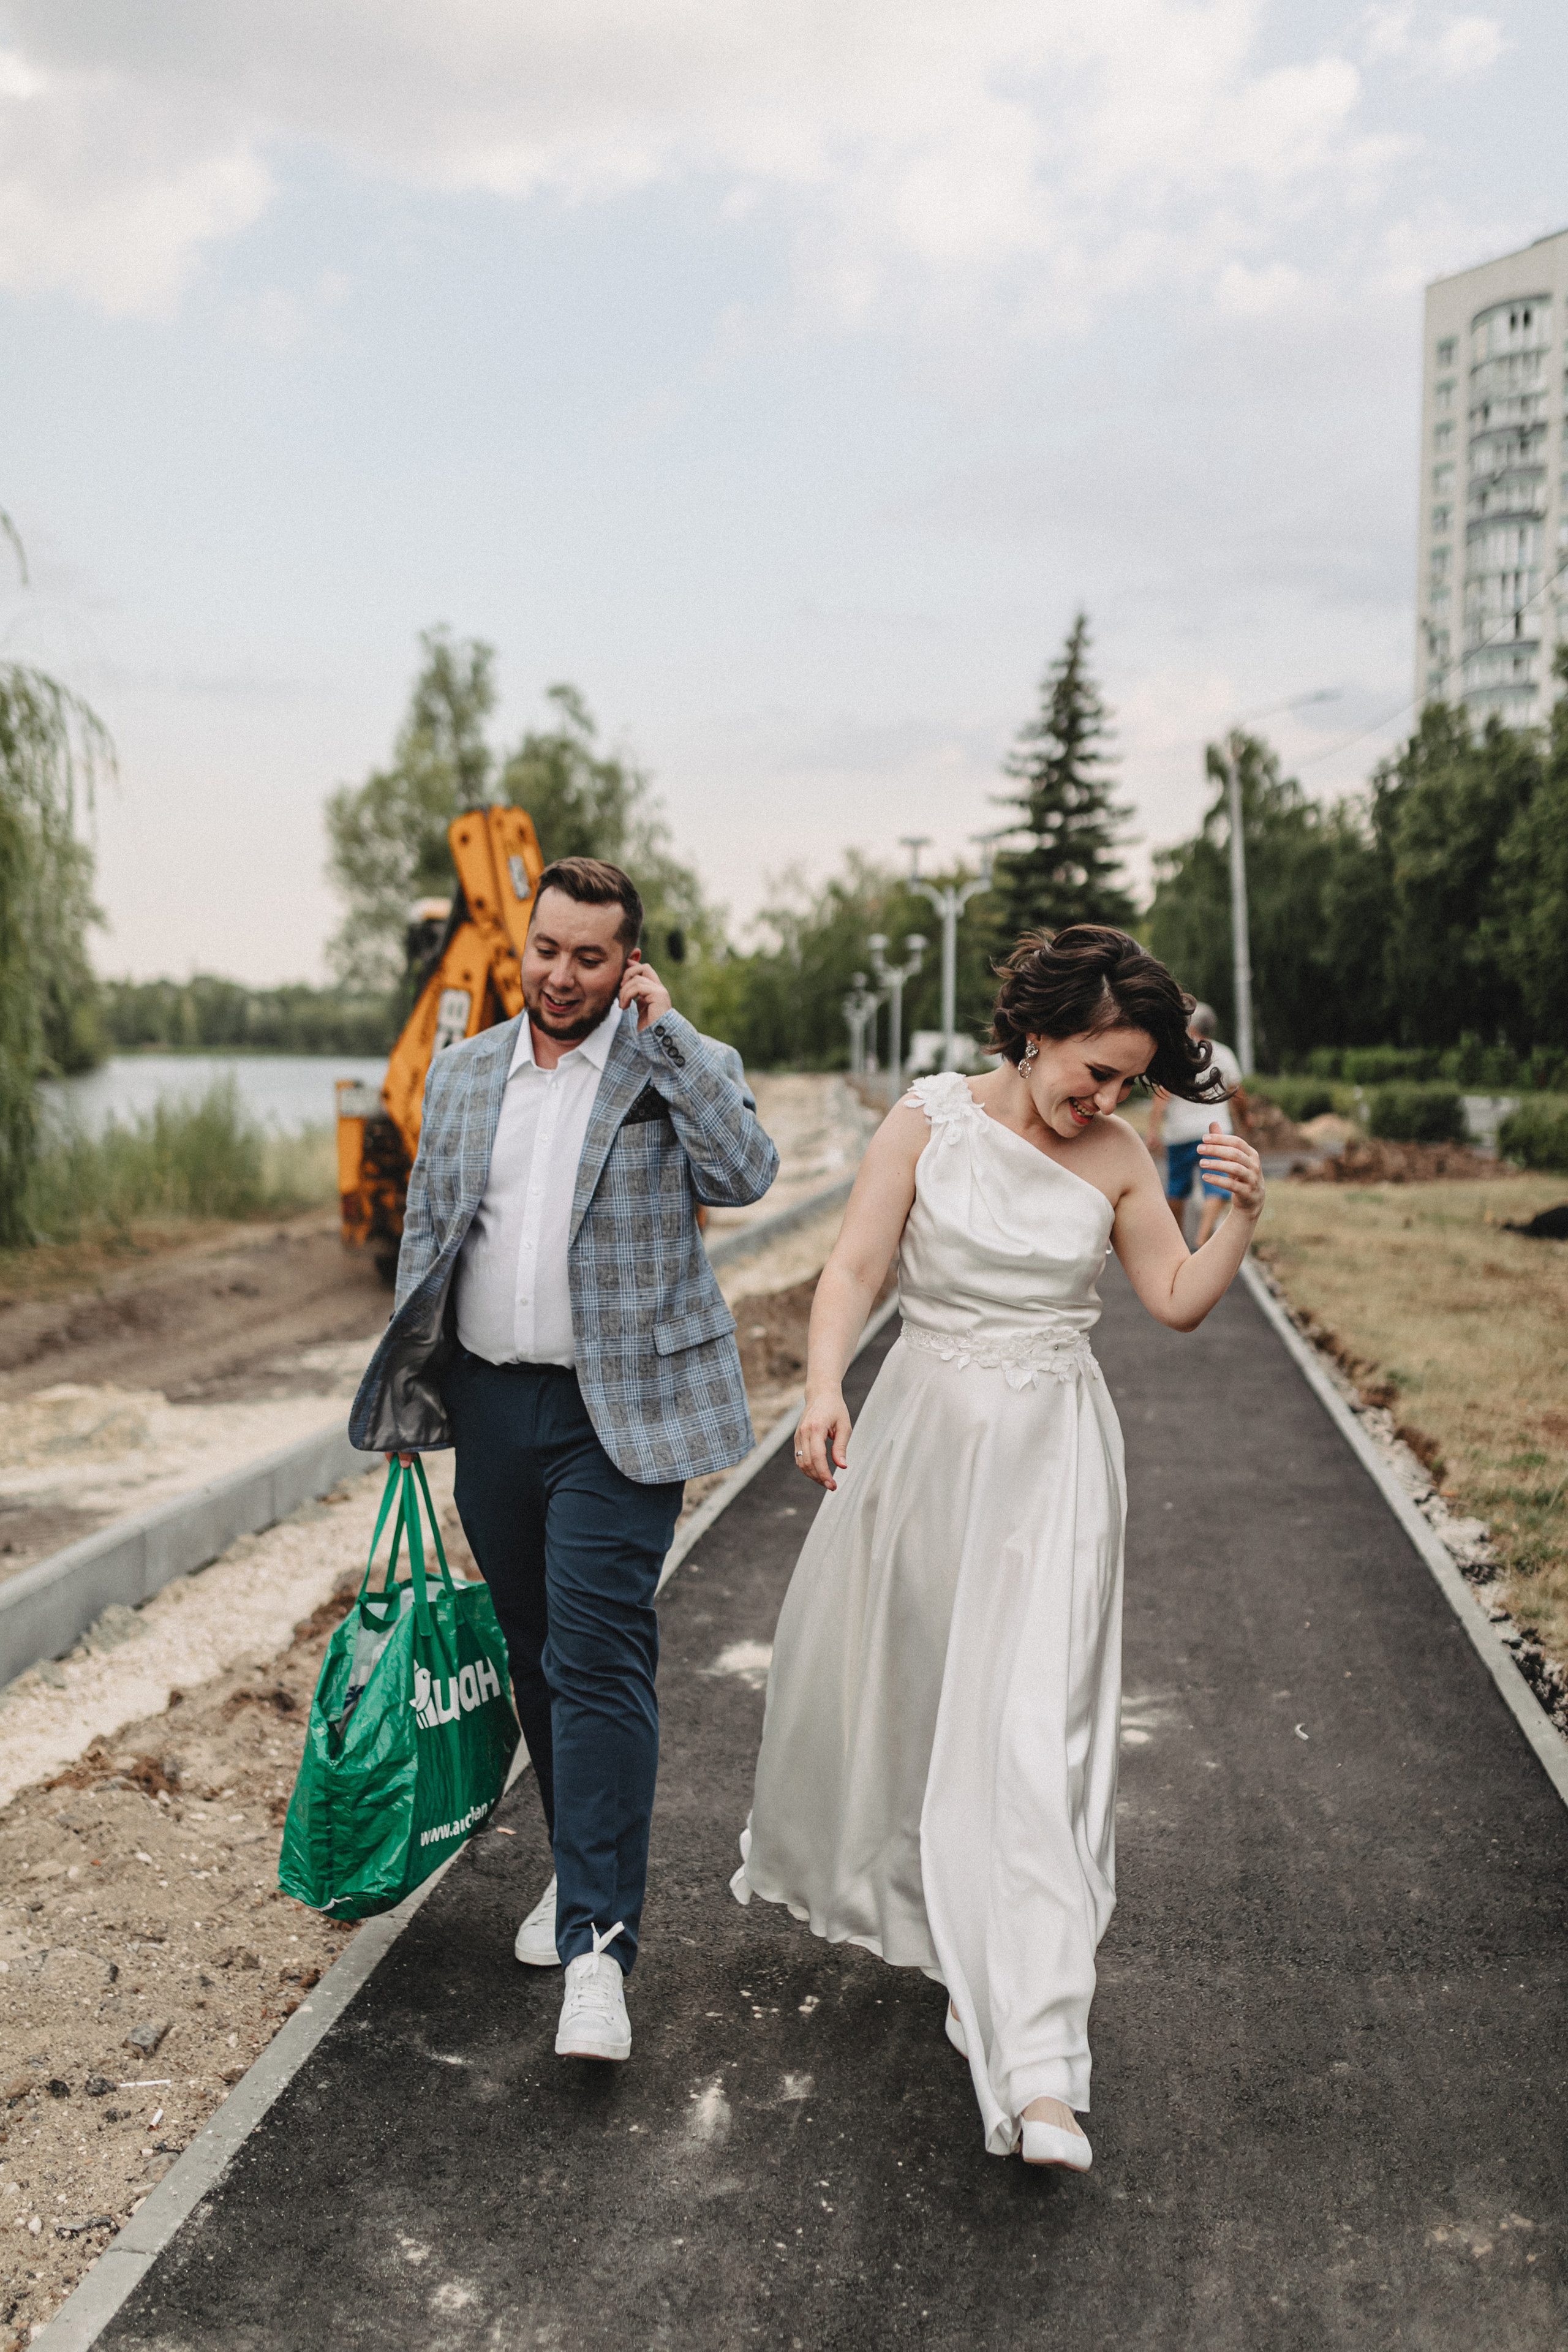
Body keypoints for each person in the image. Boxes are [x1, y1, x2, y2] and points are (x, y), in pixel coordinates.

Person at [729, 926, 1263, 2169]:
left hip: (1053, 1468)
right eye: (1094, 1068)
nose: (1105, 1096)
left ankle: (1037, 2071)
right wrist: (821, 1391)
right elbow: (853, 1268)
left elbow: (1176, 1300)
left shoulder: (1124, 1158)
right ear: (1035, 1031)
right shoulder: (927, 1121)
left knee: (1031, 1740)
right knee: (928, 1714)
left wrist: (1238, 1217)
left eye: (1128, 1079)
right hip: (922, 1457)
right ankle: (957, 1940)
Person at [350, 857, 778, 2064]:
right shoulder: (468, 1068)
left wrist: (670, 1031)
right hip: (492, 1406)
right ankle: (577, 1866)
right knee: (535, 1647)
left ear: (627, 960)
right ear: (525, 942)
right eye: (547, 949)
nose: (559, 974)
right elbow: (431, 1240)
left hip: (618, 1414)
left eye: (591, 957)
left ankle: (600, 1949)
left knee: (596, 1651)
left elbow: (744, 1173)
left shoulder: (665, 1060)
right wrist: (407, 1403)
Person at [1144, 1002, 1247, 1248]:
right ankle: (1203, 1239)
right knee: (1217, 1186)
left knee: (1177, 1188)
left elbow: (1162, 1097)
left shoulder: (1177, 1056)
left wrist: (1153, 1131)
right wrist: (1244, 1120)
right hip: (1215, 1131)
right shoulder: (1223, 1054)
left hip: (1179, 1132)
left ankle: (1179, 1243)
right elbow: (1237, 1094)